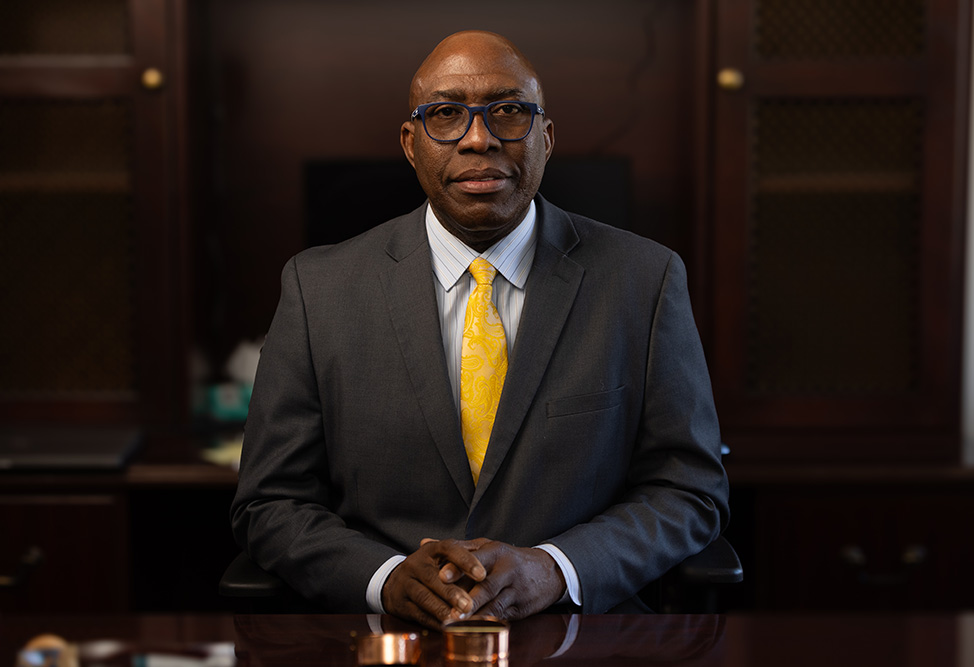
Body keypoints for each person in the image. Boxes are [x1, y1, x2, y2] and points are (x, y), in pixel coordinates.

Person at [231, 29, 729, 629]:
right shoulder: (318, 289)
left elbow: (689, 491)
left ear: (545, 138)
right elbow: (271, 502)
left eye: (508, 111)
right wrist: (383, 578)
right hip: (384, 635)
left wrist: (555, 568)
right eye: (446, 114)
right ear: (411, 144)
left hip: (577, 632)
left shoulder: (643, 281)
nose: (478, 138)